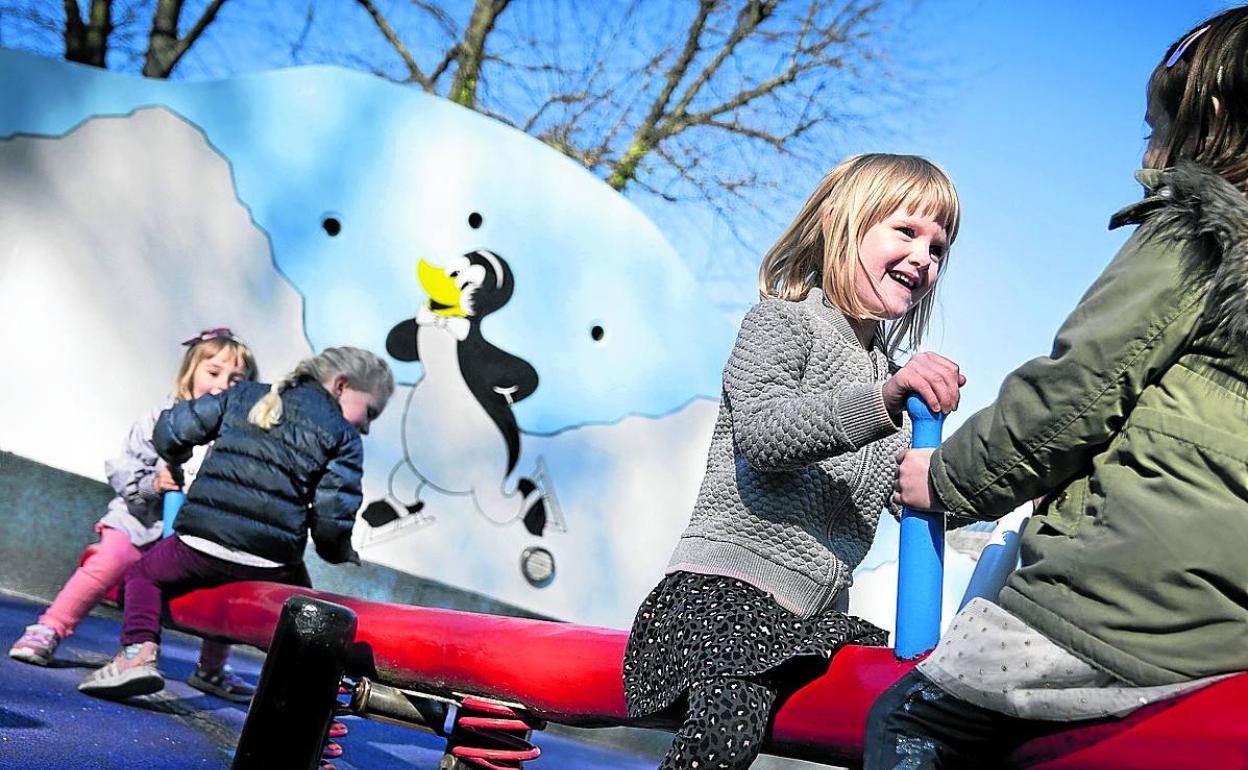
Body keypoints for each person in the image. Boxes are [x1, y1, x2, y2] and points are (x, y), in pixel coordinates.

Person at [872, 8, 1248, 768]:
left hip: (1128, 607)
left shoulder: (1198, 229)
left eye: (1154, 129)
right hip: (1229, 633)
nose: (1146, 153)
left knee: (911, 719)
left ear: (1205, 117)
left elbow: (1076, 388)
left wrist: (942, 479)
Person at [623, 153, 966, 770]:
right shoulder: (781, 324)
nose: (924, 256)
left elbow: (910, 495)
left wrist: (1002, 477)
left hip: (814, 618)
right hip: (725, 595)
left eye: (938, 247)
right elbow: (765, 434)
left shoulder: (890, 381)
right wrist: (884, 400)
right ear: (845, 226)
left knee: (905, 705)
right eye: (907, 231)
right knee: (731, 717)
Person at [77, 346, 395, 699]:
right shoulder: (343, 436)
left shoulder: (245, 395)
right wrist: (337, 552)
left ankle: (137, 655)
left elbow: (172, 429)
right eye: (370, 412)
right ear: (340, 385)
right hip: (271, 561)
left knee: (142, 575)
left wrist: (176, 457)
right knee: (306, 613)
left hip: (200, 545)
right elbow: (332, 514)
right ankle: (300, 692)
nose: (366, 426)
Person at [9, 328, 260, 701]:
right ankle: (50, 629)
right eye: (213, 372)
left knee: (223, 585)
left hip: (191, 540)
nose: (223, 384)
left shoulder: (238, 441)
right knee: (109, 558)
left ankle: (211, 668)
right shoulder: (160, 419)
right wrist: (152, 485)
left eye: (235, 379)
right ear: (190, 372)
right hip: (139, 523)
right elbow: (123, 468)